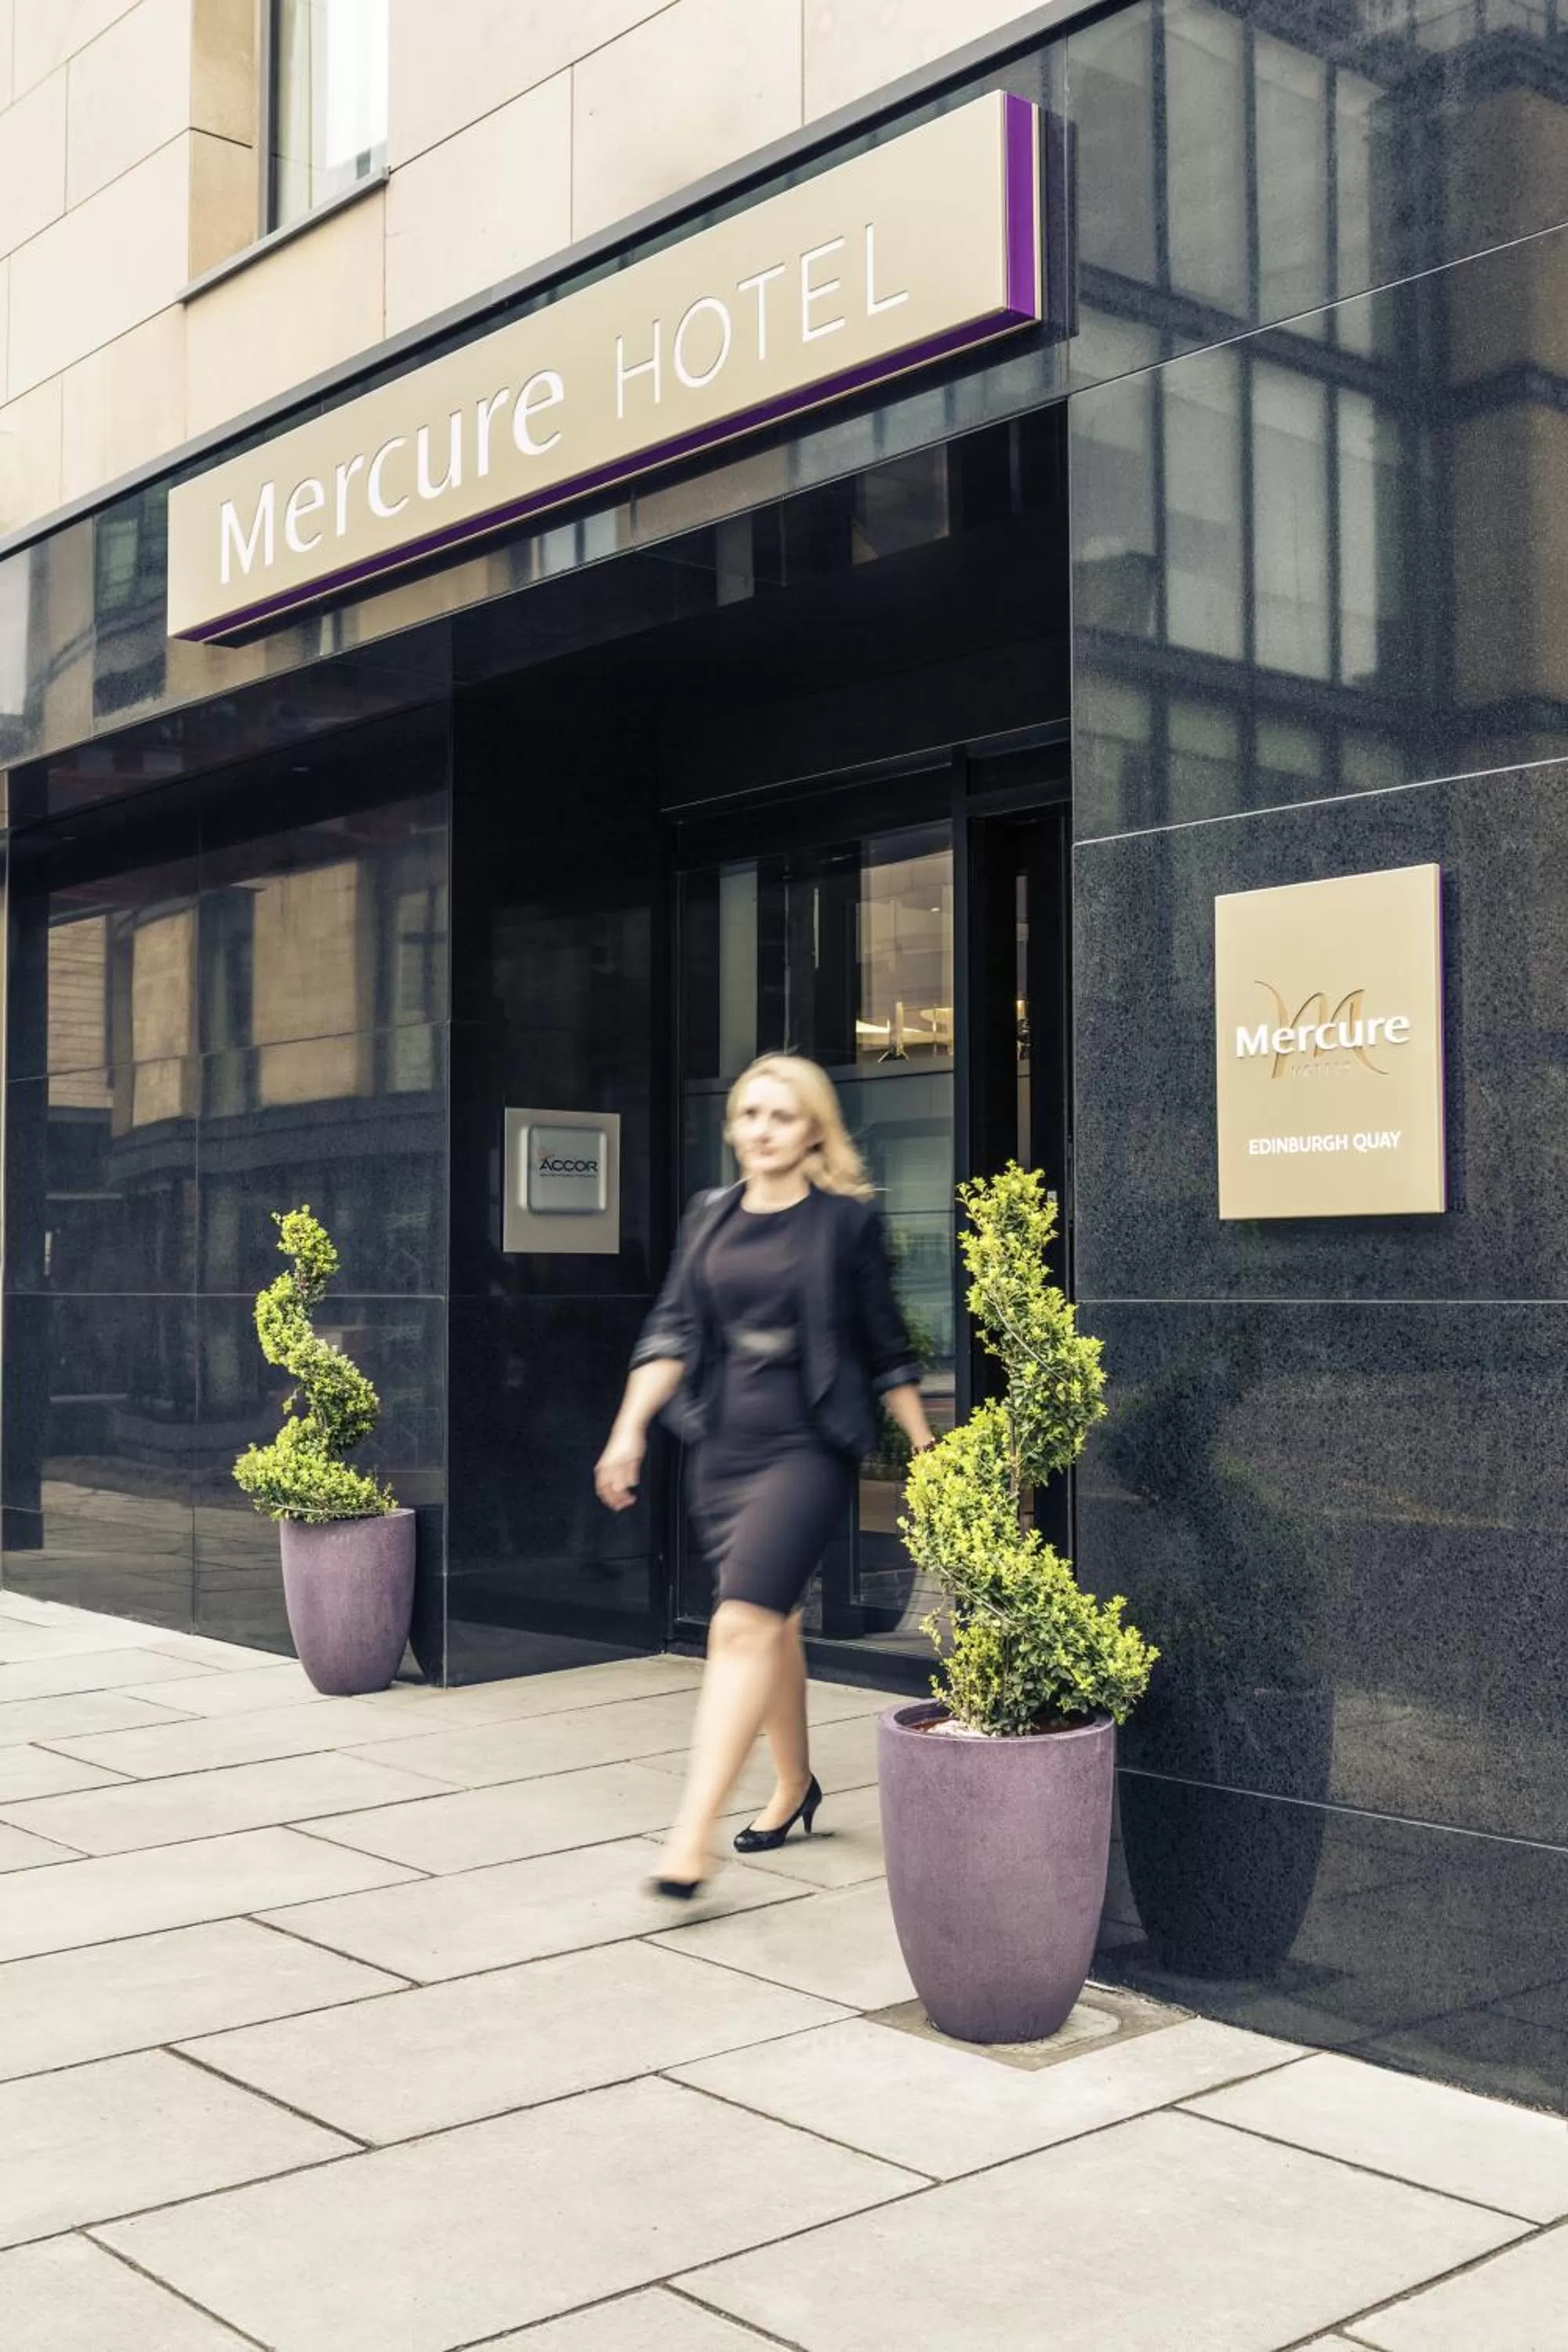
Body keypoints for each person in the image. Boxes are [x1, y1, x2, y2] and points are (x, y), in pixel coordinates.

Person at [594, 1052, 935, 1896]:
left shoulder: (843, 1224)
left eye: (780, 1116)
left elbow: (886, 1347)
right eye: (749, 1115)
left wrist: (927, 1451)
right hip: (722, 1452)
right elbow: (669, 1333)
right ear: (731, 1127)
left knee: (737, 1626)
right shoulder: (707, 1217)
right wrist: (627, 1431)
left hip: (806, 1451)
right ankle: (793, 1785)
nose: (761, 1131)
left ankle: (689, 1835)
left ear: (813, 1128)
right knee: (769, 1622)